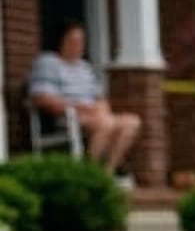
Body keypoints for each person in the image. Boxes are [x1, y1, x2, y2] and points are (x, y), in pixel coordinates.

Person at [27, 21, 141, 177]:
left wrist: (102, 110)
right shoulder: (48, 62)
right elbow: (41, 97)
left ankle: (108, 172)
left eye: (81, 41)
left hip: (94, 115)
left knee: (131, 122)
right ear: (60, 41)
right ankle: (89, 173)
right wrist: (79, 108)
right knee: (106, 124)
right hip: (67, 115)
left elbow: (99, 97)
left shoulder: (84, 67)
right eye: (73, 41)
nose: (78, 45)